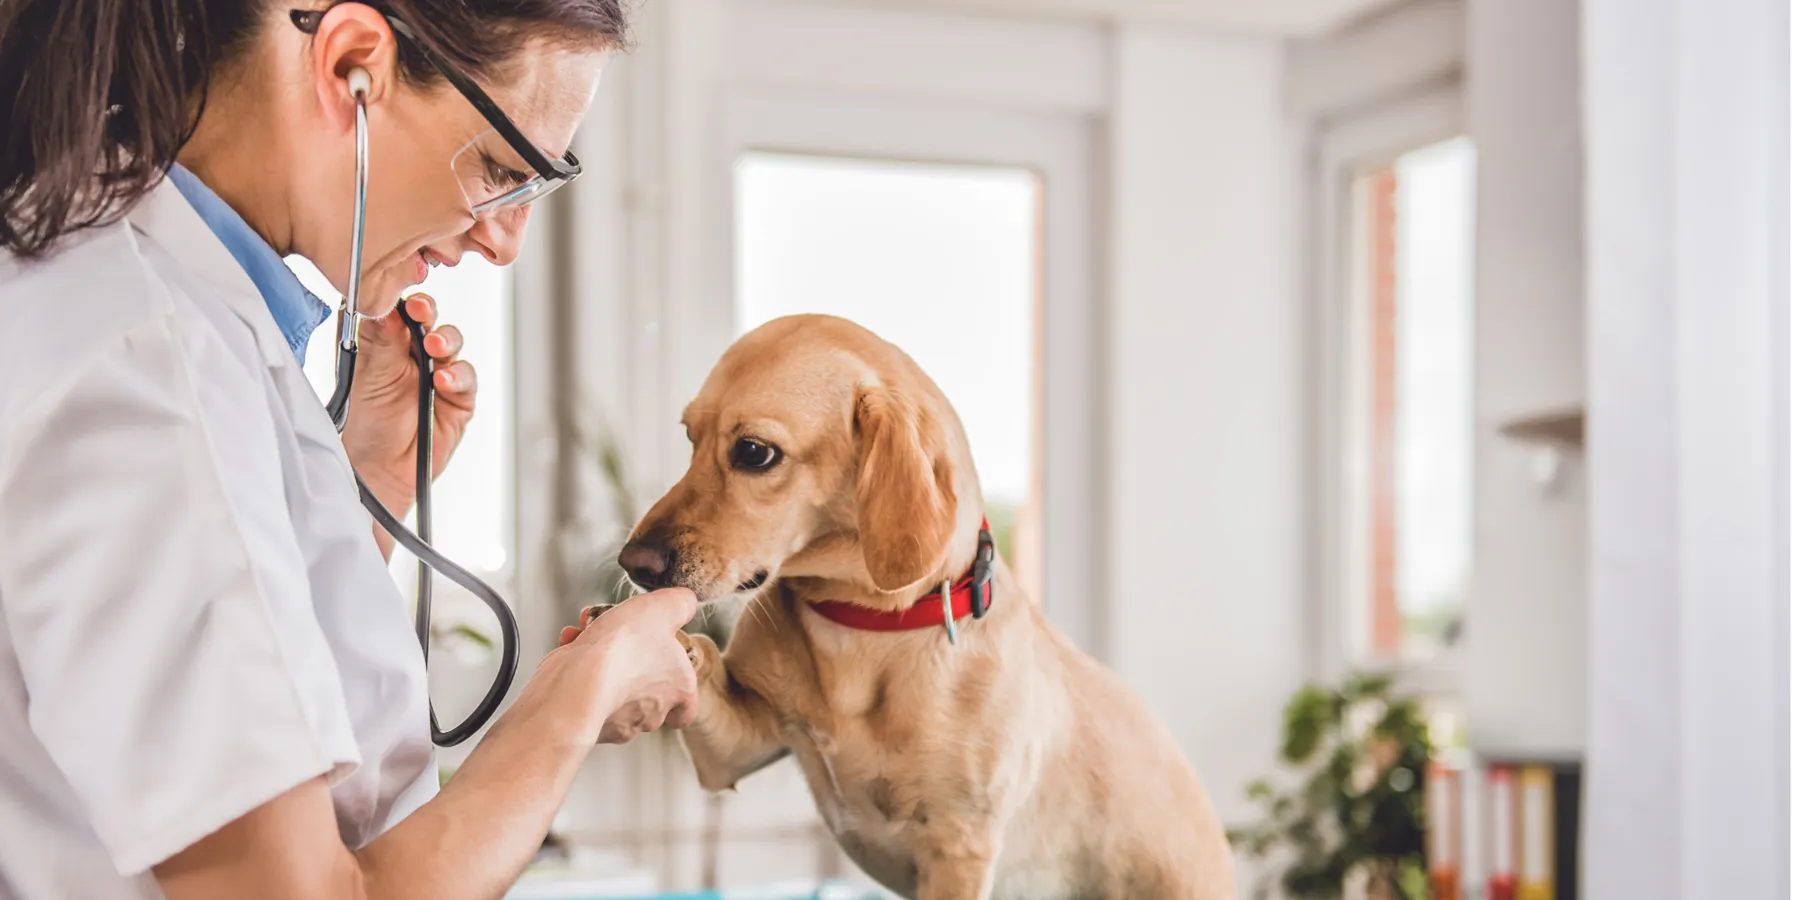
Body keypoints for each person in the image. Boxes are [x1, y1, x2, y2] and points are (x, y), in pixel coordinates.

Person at [0, 1, 700, 897]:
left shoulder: (164, 308)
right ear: (351, 67)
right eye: (499, 169)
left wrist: (362, 484)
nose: (504, 240)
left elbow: (199, 672)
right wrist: (580, 694)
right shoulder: (144, 365)